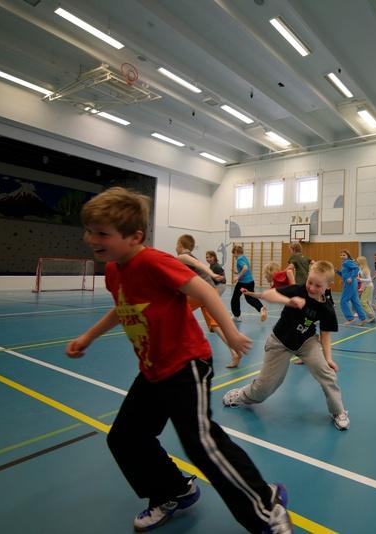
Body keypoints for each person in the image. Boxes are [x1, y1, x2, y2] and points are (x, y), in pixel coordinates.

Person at [65, 187, 292, 533]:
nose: (90, 239)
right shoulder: (114, 269)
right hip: (153, 370)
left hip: (187, 364)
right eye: (89, 231)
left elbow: (205, 291)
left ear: (134, 236)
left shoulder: (153, 262)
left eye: (101, 233)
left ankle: (266, 507)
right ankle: (173, 491)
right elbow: (123, 308)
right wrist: (88, 336)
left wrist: (231, 333)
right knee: (125, 438)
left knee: (201, 442)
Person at [221, 261, 350, 431]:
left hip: (306, 342)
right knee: (265, 388)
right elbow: (268, 294)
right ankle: (242, 395)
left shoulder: (327, 308)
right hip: (280, 341)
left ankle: (338, 411)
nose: (311, 288)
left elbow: (325, 334)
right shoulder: (297, 290)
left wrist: (328, 358)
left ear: (328, 286)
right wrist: (288, 301)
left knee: (327, 374)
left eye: (318, 285)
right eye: (310, 282)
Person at [175, 235, 241, 369]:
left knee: (175, 313)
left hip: (203, 293)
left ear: (180, 245)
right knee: (215, 326)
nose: (176, 247)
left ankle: (182, 351)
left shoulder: (182, 256)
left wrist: (212, 274)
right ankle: (234, 352)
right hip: (209, 293)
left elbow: (198, 265)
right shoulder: (190, 257)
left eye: (177, 244)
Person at [231, 244, 268, 322]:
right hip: (250, 282)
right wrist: (237, 273)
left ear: (236, 252)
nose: (233, 255)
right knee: (251, 299)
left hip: (242, 283)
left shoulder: (239, 260)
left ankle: (236, 316)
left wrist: (238, 277)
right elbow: (245, 270)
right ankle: (261, 308)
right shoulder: (244, 258)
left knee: (235, 299)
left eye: (233, 253)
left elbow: (245, 268)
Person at [336, 250, 367, 326]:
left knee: (343, 301)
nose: (342, 256)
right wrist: (337, 272)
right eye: (341, 255)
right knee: (355, 302)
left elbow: (356, 268)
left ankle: (350, 318)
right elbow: (344, 274)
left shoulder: (347, 262)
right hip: (352, 284)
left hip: (350, 284)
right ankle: (363, 318)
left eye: (344, 255)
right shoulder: (345, 263)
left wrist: (351, 277)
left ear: (347, 255)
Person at [355, 256, 376, 323]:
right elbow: (362, 280)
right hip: (365, 286)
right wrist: (361, 288)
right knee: (367, 302)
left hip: (369, 286)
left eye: (358, 261)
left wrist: (360, 279)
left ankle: (372, 316)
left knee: (363, 302)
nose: (356, 262)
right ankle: (372, 316)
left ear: (361, 261)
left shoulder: (365, 269)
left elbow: (369, 279)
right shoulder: (360, 269)